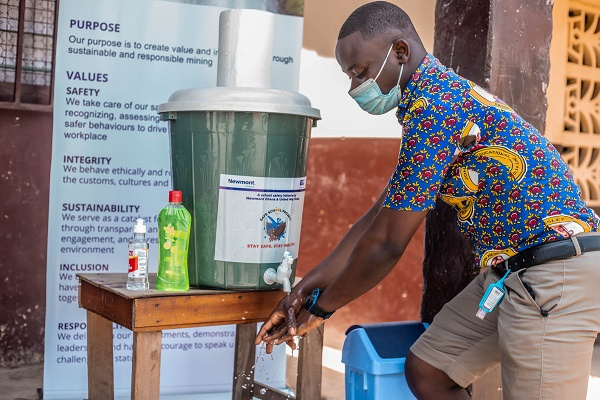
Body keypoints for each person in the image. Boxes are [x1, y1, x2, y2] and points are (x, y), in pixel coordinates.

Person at [255, 2, 600, 399]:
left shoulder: (435, 107)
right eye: (351, 77)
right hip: (511, 274)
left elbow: (386, 245)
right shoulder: (427, 105)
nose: (355, 89)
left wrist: (321, 310)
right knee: (430, 369)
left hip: (556, 273)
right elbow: (376, 219)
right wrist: (307, 287)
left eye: (361, 72)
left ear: (400, 52)